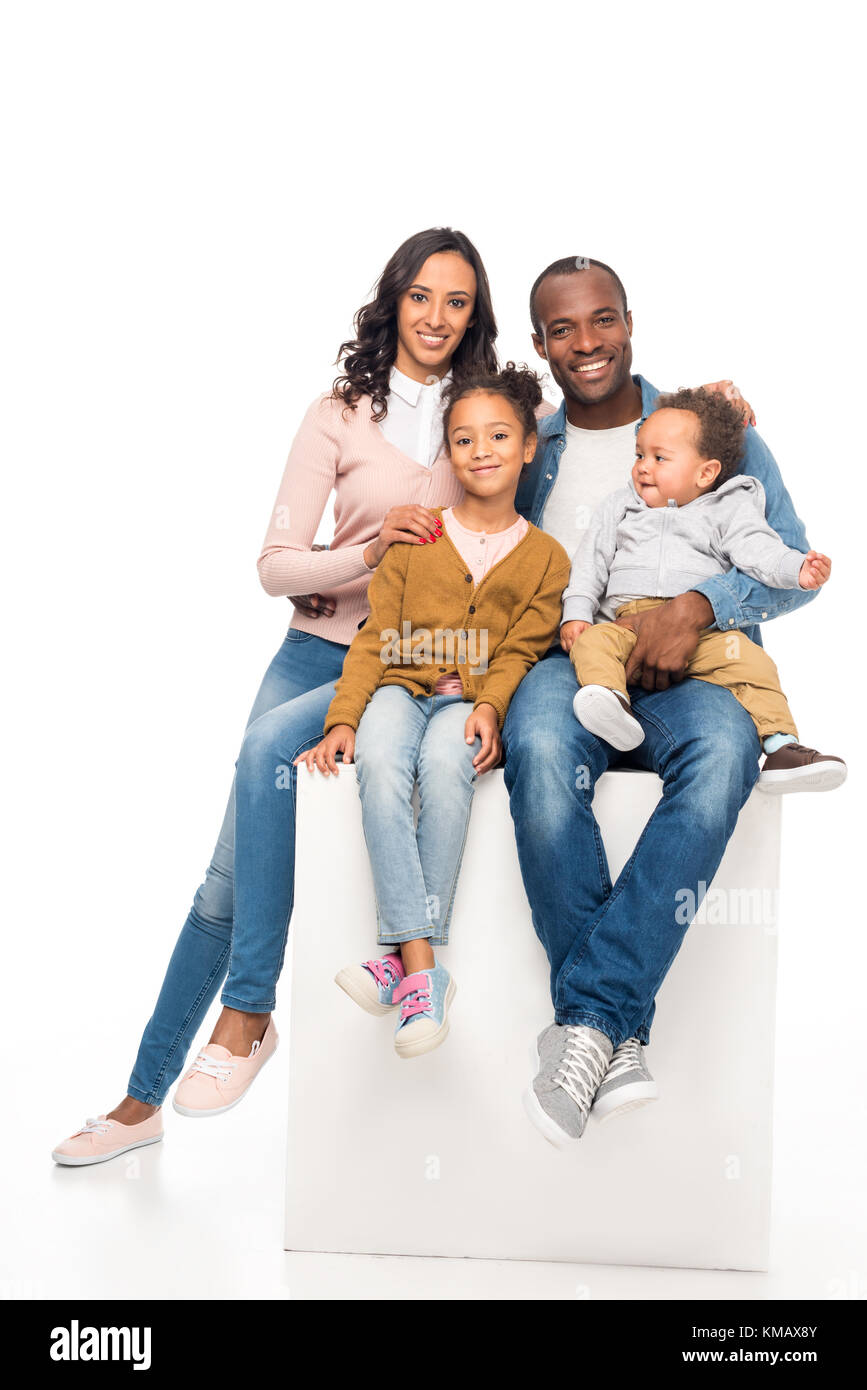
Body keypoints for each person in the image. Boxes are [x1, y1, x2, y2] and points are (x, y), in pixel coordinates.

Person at [52, 226, 500, 1163]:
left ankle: (253, 1015)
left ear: (475, 316)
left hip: (417, 668)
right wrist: (366, 553)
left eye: (456, 301)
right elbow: (275, 565)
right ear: (394, 299)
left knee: (297, 825)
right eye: (421, 295)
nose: (435, 317)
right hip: (316, 656)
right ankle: (142, 1103)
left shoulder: (488, 414)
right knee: (226, 876)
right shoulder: (338, 414)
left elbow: (583, 443)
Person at [503, 257, 819, 1147]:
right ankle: (616, 1031)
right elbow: (476, 495)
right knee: (538, 752)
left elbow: (791, 568)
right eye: (561, 329)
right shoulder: (536, 444)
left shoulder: (711, 427)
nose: (586, 343)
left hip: (699, 666)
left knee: (723, 757)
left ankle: (585, 1025)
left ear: (629, 321)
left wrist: (698, 607)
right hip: (577, 655)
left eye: (601, 320)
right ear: (539, 344)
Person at [295, 367, 570, 1059]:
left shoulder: (546, 559)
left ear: (529, 447)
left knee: (446, 764)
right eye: (463, 438)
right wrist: (342, 719)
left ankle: (397, 961)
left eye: (499, 436)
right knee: (382, 762)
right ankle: (423, 968)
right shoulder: (417, 539)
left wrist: (489, 705)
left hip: (462, 704)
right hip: (395, 684)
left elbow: (518, 651)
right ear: (447, 453)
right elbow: (374, 636)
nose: (481, 450)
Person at [562, 387, 846, 794]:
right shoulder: (620, 508)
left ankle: (781, 745)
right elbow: (590, 565)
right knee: (590, 646)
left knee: (752, 663)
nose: (643, 468)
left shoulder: (728, 509)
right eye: (639, 455)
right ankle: (611, 703)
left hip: (701, 638)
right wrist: (576, 614)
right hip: (626, 628)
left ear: (706, 473)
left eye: (660, 458)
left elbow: (760, 552)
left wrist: (798, 569)